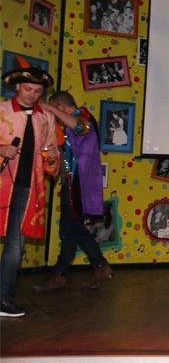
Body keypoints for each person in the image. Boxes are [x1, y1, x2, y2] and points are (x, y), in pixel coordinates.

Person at [33, 91, 112, 292]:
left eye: (55, 109)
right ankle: (62, 274)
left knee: (72, 228)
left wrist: (49, 107)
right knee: (69, 229)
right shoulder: (66, 127)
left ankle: (97, 266)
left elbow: (80, 127)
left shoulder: (83, 116)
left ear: (60, 106)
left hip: (80, 184)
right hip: (72, 183)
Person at [0, 60, 59, 317]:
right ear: (17, 87)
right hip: (2, 185)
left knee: (15, 245)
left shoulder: (46, 117)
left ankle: (3, 299)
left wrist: (52, 159)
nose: (32, 95)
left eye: (37, 91)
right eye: (27, 89)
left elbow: (51, 152)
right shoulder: (1, 111)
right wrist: (1, 149)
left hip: (27, 188)